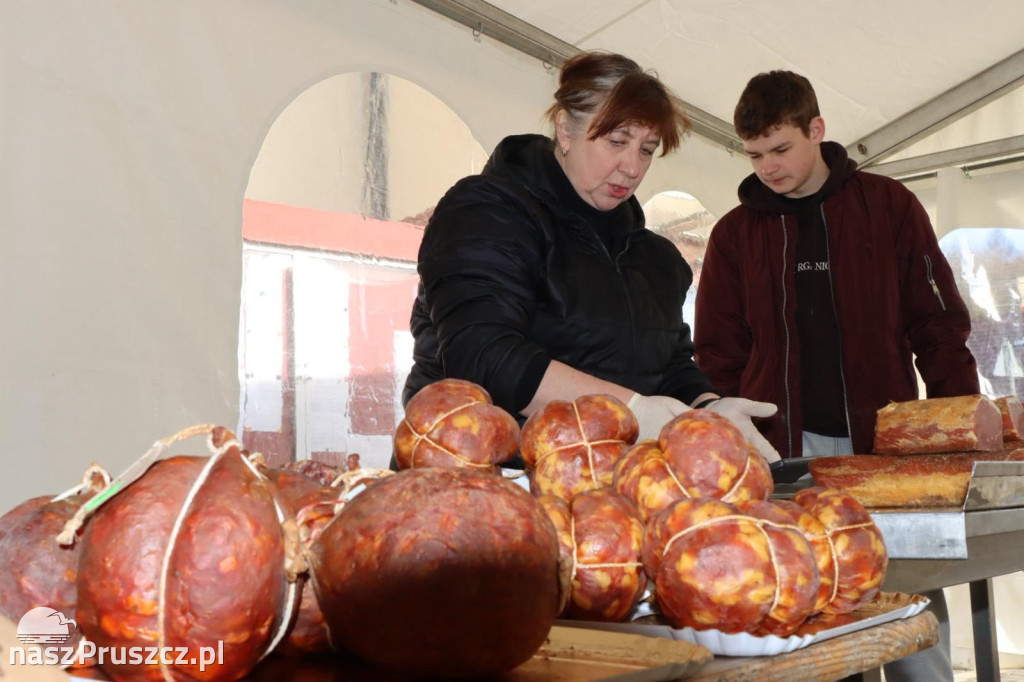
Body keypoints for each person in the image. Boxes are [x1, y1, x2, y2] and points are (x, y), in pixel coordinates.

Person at [694, 70, 979, 682]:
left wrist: (960, 431)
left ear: (817, 130)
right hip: (785, 458)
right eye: (754, 154)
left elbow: (936, 325)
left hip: (885, 454)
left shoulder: (888, 205)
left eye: (781, 149)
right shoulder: (734, 235)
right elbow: (716, 355)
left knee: (910, 606)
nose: (767, 167)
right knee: (812, 612)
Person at [402, 51, 780, 462]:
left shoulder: (653, 258)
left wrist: (708, 409)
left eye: (647, 149)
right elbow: (482, 354)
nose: (632, 167)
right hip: (483, 475)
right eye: (617, 141)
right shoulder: (486, 213)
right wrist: (631, 411)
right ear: (565, 129)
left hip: (602, 485)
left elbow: (669, 364)